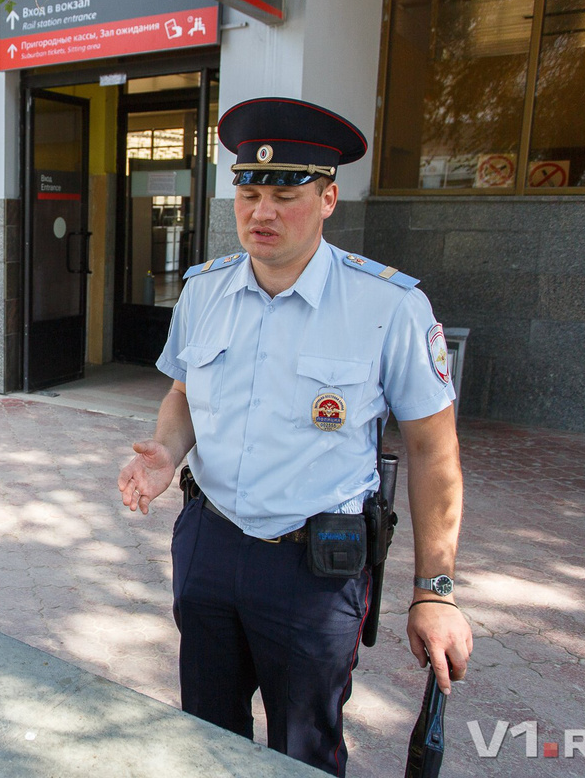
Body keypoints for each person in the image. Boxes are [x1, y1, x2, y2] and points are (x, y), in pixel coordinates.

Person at [117, 97, 472, 777]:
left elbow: (434, 451)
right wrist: (166, 451)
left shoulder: (389, 307)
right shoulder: (203, 291)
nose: (262, 212)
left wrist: (435, 591)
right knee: (205, 735)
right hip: (209, 544)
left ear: (329, 198)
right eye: (249, 193)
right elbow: (184, 396)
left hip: (314, 569)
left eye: (285, 194)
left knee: (303, 751)